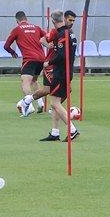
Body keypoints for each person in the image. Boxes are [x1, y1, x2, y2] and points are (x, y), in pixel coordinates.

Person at [17, 10, 79, 142]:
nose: (71, 22)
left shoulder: (63, 34)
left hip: (59, 71)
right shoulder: (68, 33)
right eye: (70, 20)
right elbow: (43, 39)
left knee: (55, 102)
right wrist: (48, 45)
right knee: (55, 103)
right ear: (64, 19)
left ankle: (72, 130)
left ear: (52, 20)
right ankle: (55, 133)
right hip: (64, 71)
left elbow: (62, 56)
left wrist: (48, 62)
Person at [5, 10, 47, 115]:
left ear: (17, 20)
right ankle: (40, 102)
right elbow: (47, 36)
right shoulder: (36, 27)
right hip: (41, 58)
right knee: (34, 81)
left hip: (29, 59)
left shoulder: (17, 29)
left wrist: (12, 52)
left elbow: (6, 46)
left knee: (25, 82)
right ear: (26, 18)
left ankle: (29, 106)